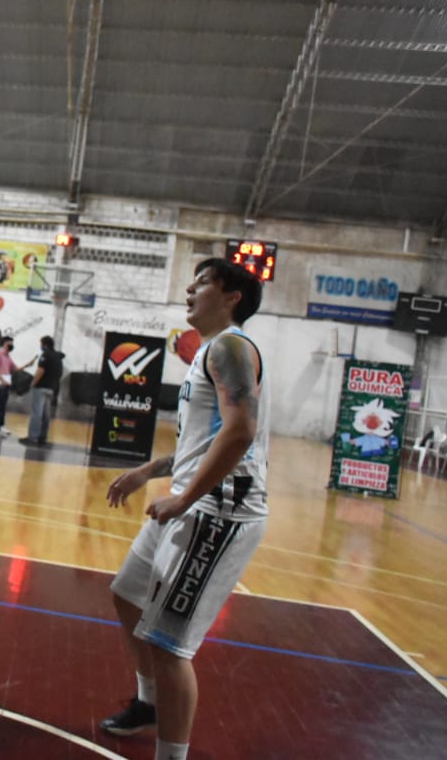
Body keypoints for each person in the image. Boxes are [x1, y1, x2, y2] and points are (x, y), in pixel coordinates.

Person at [101, 258, 268, 760]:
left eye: (202, 283)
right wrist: (147, 472)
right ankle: (149, 704)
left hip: (218, 513)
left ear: (232, 296)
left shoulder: (233, 347)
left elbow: (241, 432)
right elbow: (206, 441)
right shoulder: (210, 354)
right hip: (190, 501)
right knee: (128, 594)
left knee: (169, 645)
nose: (190, 290)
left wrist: (183, 498)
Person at [20, 335, 63, 446]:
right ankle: (42, 437)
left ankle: (32, 437)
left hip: (41, 388)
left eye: (41, 344)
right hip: (51, 388)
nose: (40, 346)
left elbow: (40, 371)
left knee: (36, 413)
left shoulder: (45, 356)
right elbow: (59, 373)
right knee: (46, 415)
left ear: (45, 345)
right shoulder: (57, 357)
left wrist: (33, 383)